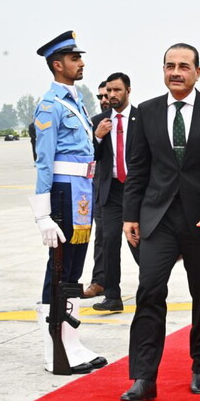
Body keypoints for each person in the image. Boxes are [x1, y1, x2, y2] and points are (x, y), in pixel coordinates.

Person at [120, 43, 200, 400]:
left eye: (184, 66)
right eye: (170, 65)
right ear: (163, 70)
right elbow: (138, 168)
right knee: (149, 291)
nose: (176, 72)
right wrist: (130, 215)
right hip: (158, 218)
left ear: (197, 72)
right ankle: (144, 377)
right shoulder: (146, 112)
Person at [29, 30, 107, 374]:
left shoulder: (75, 102)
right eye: (74, 58)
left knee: (73, 269)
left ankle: (70, 343)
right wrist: (42, 214)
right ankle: (55, 350)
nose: (81, 63)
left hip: (81, 191)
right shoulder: (50, 105)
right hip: (62, 192)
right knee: (59, 268)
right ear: (57, 65)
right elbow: (44, 161)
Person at [89, 72, 140, 312]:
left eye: (117, 90)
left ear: (128, 91)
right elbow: (90, 156)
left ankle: (151, 289)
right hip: (110, 192)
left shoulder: (142, 118)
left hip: (136, 190)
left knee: (140, 243)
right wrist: (98, 137)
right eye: (108, 91)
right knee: (109, 243)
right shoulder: (98, 121)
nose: (111, 95)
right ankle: (112, 296)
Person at [81, 80, 112, 299]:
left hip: (133, 189)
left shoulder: (137, 119)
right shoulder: (94, 123)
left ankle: (152, 279)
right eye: (100, 96)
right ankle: (100, 281)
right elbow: (86, 154)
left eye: (107, 94)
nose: (104, 99)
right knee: (103, 238)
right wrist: (98, 136)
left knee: (141, 238)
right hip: (103, 189)